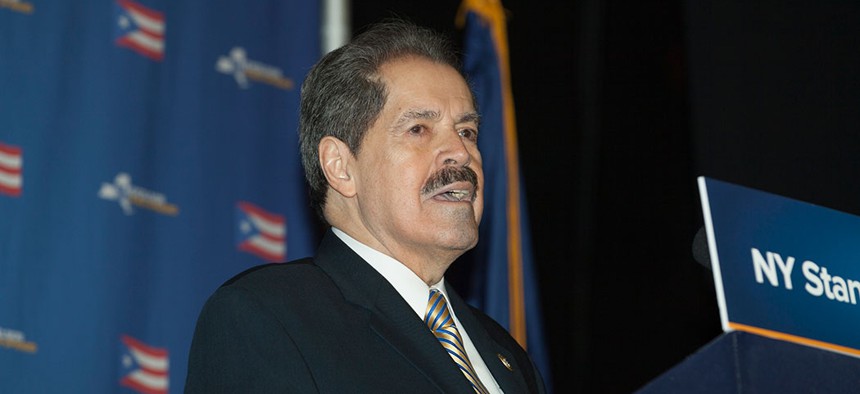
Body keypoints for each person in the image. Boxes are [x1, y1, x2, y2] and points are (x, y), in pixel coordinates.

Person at [185, 18, 547, 394]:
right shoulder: (268, 318)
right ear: (341, 167)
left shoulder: (505, 352)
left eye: (467, 131)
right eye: (419, 129)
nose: (461, 152)